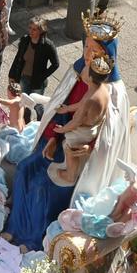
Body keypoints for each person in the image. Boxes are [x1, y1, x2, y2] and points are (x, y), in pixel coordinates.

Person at [6, 11, 129, 251]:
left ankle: (33, 240)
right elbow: (60, 109)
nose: (87, 55)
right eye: (86, 48)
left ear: (108, 56)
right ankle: (15, 226)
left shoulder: (113, 91)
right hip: (57, 140)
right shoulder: (77, 72)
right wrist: (52, 138)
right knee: (24, 169)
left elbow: (109, 137)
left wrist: (88, 147)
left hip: (82, 158)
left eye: (95, 52)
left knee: (44, 188)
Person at [47, 53, 114, 186]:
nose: (82, 69)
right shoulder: (101, 89)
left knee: (70, 147)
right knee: (71, 146)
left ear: (89, 77)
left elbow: (76, 121)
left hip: (82, 131)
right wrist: (67, 109)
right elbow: (81, 104)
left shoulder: (90, 99)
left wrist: (62, 130)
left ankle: (70, 175)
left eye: (85, 68)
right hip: (92, 127)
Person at [7, 16, 59, 112]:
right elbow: (18, 58)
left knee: (37, 106)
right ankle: (25, 122)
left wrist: (42, 76)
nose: (31, 31)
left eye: (34, 29)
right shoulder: (25, 40)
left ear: (41, 31)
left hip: (37, 82)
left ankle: (41, 123)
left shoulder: (47, 45)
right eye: (30, 28)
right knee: (24, 103)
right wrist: (12, 75)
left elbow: (56, 64)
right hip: (23, 78)